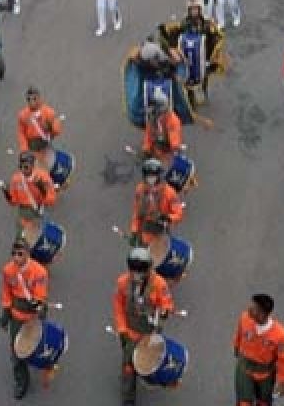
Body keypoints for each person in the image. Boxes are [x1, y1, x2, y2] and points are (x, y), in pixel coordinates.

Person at [113, 246, 174, 405]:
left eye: (141, 271)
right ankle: (128, 399)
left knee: (149, 361)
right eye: (134, 271)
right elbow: (118, 306)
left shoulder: (159, 284)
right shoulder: (122, 283)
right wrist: (121, 329)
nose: (137, 275)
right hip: (130, 332)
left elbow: (167, 304)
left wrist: (165, 311)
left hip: (149, 333)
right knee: (128, 367)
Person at [0, 237, 50, 400]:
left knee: (39, 345)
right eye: (13, 254)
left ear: (28, 253)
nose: (16, 258)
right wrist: (6, 312)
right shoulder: (8, 270)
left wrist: (39, 306)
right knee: (16, 352)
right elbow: (6, 292)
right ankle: (22, 381)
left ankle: (45, 360)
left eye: (20, 254)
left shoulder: (39, 272)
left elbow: (40, 296)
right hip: (16, 316)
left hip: (33, 317)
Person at [233, 293, 284, 404]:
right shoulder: (245, 318)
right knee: (243, 402)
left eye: (253, 308)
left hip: (265, 374)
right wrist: (236, 347)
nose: (249, 308)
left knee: (264, 402)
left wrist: (283, 381)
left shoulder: (281, 335)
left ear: (262, 314)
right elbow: (238, 334)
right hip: (244, 369)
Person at [130, 158, 183, 247]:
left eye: (153, 176)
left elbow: (178, 213)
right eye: (148, 176)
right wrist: (134, 232)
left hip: (161, 232)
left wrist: (168, 218)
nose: (151, 179)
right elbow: (137, 212)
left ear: (158, 176)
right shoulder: (140, 190)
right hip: (145, 232)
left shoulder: (169, 192)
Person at [1, 151, 57, 235]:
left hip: (39, 208)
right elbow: (13, 202)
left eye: (26, 167)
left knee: (44, 233)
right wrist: (6, 193)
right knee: (23, 236)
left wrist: (41, 187)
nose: (23, 170)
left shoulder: (43, 177)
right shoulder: (16, 179)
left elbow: (51, 200)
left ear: (33, 165)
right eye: (21, 166)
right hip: (24, 212)